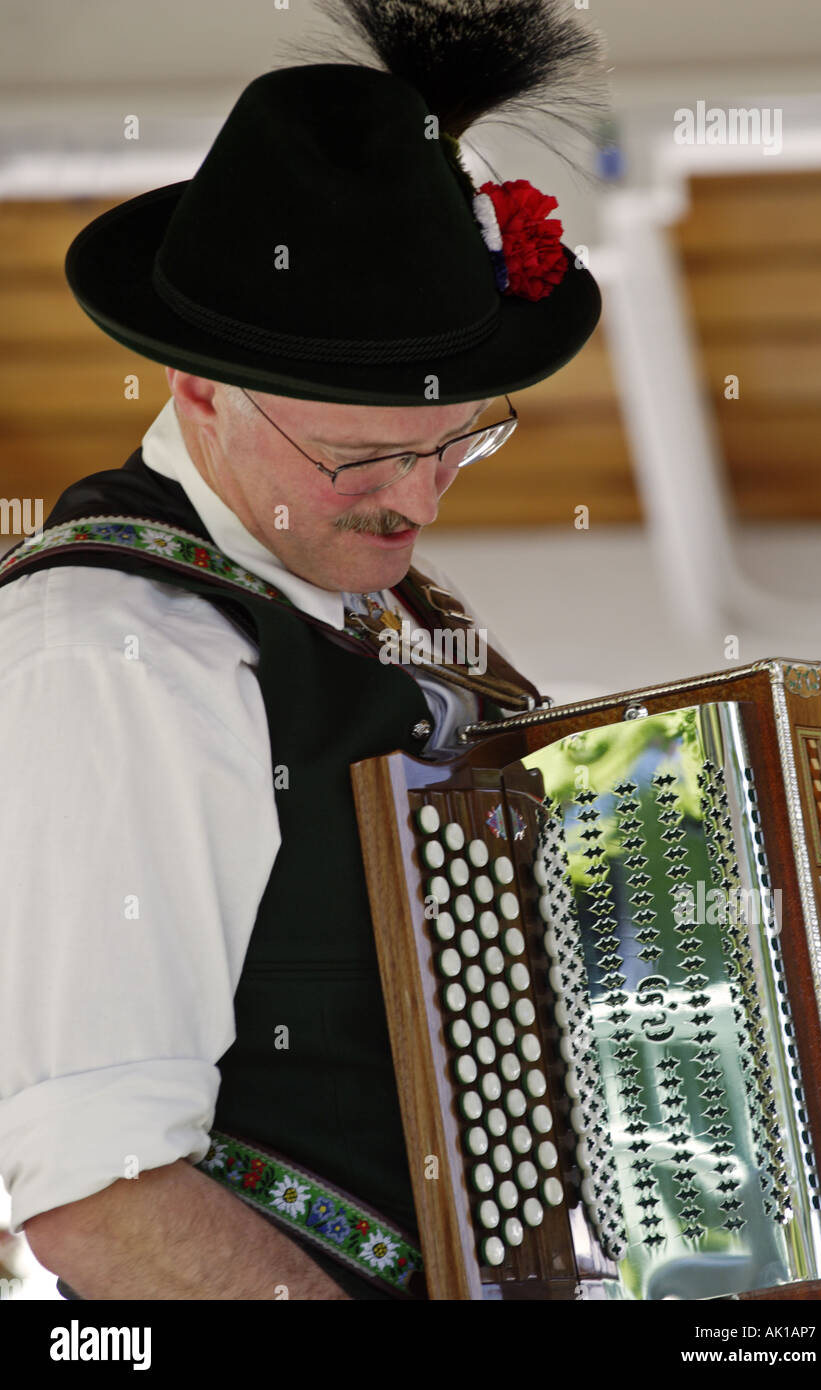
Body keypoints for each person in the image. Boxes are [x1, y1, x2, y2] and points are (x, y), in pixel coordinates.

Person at [0, 0, 607, 1299]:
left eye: (453, 441)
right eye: (359, 456)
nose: (419, 500)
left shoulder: (382, 615)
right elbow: (106, 1203)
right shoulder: (118, 647)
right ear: (200, 384)